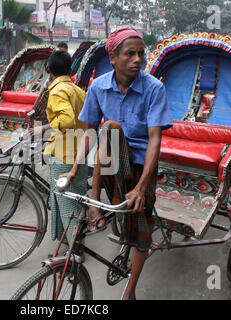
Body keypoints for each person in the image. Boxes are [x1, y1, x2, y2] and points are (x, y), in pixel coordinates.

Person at [61, 28, 172, 300]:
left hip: (139, 167)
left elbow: (155, 141)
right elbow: (88, 131)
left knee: (141, 234)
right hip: (110, 163)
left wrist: (142, 186)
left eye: (141, 54)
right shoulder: (98, 86)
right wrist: (75, 169)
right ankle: (95, 206)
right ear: (113, 58)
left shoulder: (154, 88)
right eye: (130, 53)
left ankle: (129, 292)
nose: (137, 59)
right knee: (107, 129)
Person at [30, 50, 87, 245]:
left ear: (48, 69)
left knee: (67, 206)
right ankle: (73, 244)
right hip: (80, 153)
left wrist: (51, 124)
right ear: (70, 69)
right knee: (77, 202)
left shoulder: (56, 91)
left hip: (64, 155)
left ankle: (76, 252)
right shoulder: (78, 91)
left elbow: (67, 120)